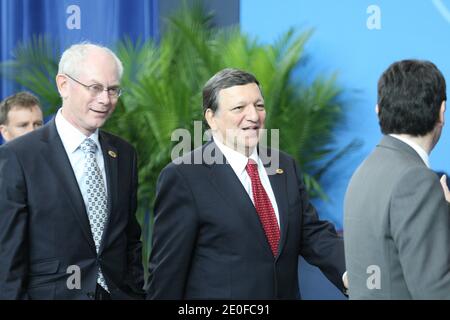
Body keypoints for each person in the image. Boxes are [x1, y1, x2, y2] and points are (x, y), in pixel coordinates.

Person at [147, 68, 346, 299]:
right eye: (239, 108)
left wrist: (349, 272)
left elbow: (310, 232)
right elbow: (167, 273)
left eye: (259, 105)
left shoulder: (285, 166)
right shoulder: (184, 176)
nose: (253, 116)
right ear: (211, 118)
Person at [0, 43, 144, 299]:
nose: (105, 99)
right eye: (95, 87)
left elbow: (130, 240)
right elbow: (8, 257)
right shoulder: (19, 156)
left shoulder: (124, 154)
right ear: (63, 85)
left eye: (113, 90)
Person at [344, 59, 450, 299]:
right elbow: (436, 291)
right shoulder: (418, 181)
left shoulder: (366, 170)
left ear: (378, 110)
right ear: (442, 112)